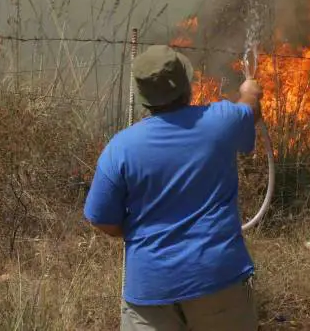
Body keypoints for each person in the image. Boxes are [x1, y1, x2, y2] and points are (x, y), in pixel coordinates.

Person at [83, 45, 263, 331]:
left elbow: (101, 218)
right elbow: (250, 108)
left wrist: (137, 232)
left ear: (143, 98)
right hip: (217, 280)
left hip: (150, 289)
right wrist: (250, 89)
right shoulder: (220, 121)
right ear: (186, 87)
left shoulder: (119, 148)